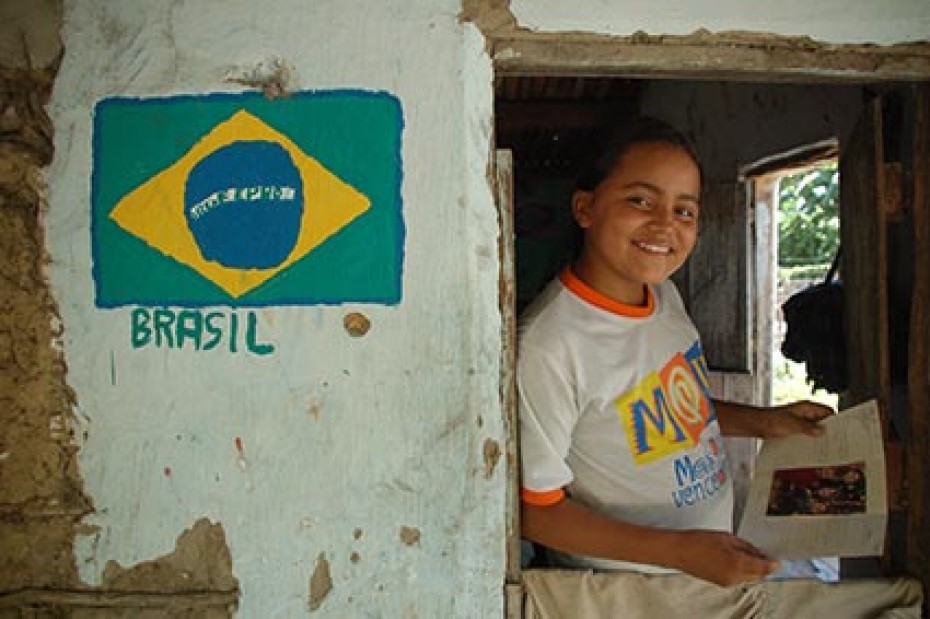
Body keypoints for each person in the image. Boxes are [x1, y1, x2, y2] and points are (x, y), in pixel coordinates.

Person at [517, 115, 836, 587]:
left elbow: (672, 408)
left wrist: (765, 421)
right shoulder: (551, 343)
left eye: (684, 210)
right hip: (629, 589)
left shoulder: (663, 297)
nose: (665, 224)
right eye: (640, 200)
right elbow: (537, 514)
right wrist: (681, 553)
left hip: (703, 568)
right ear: (585, 208)